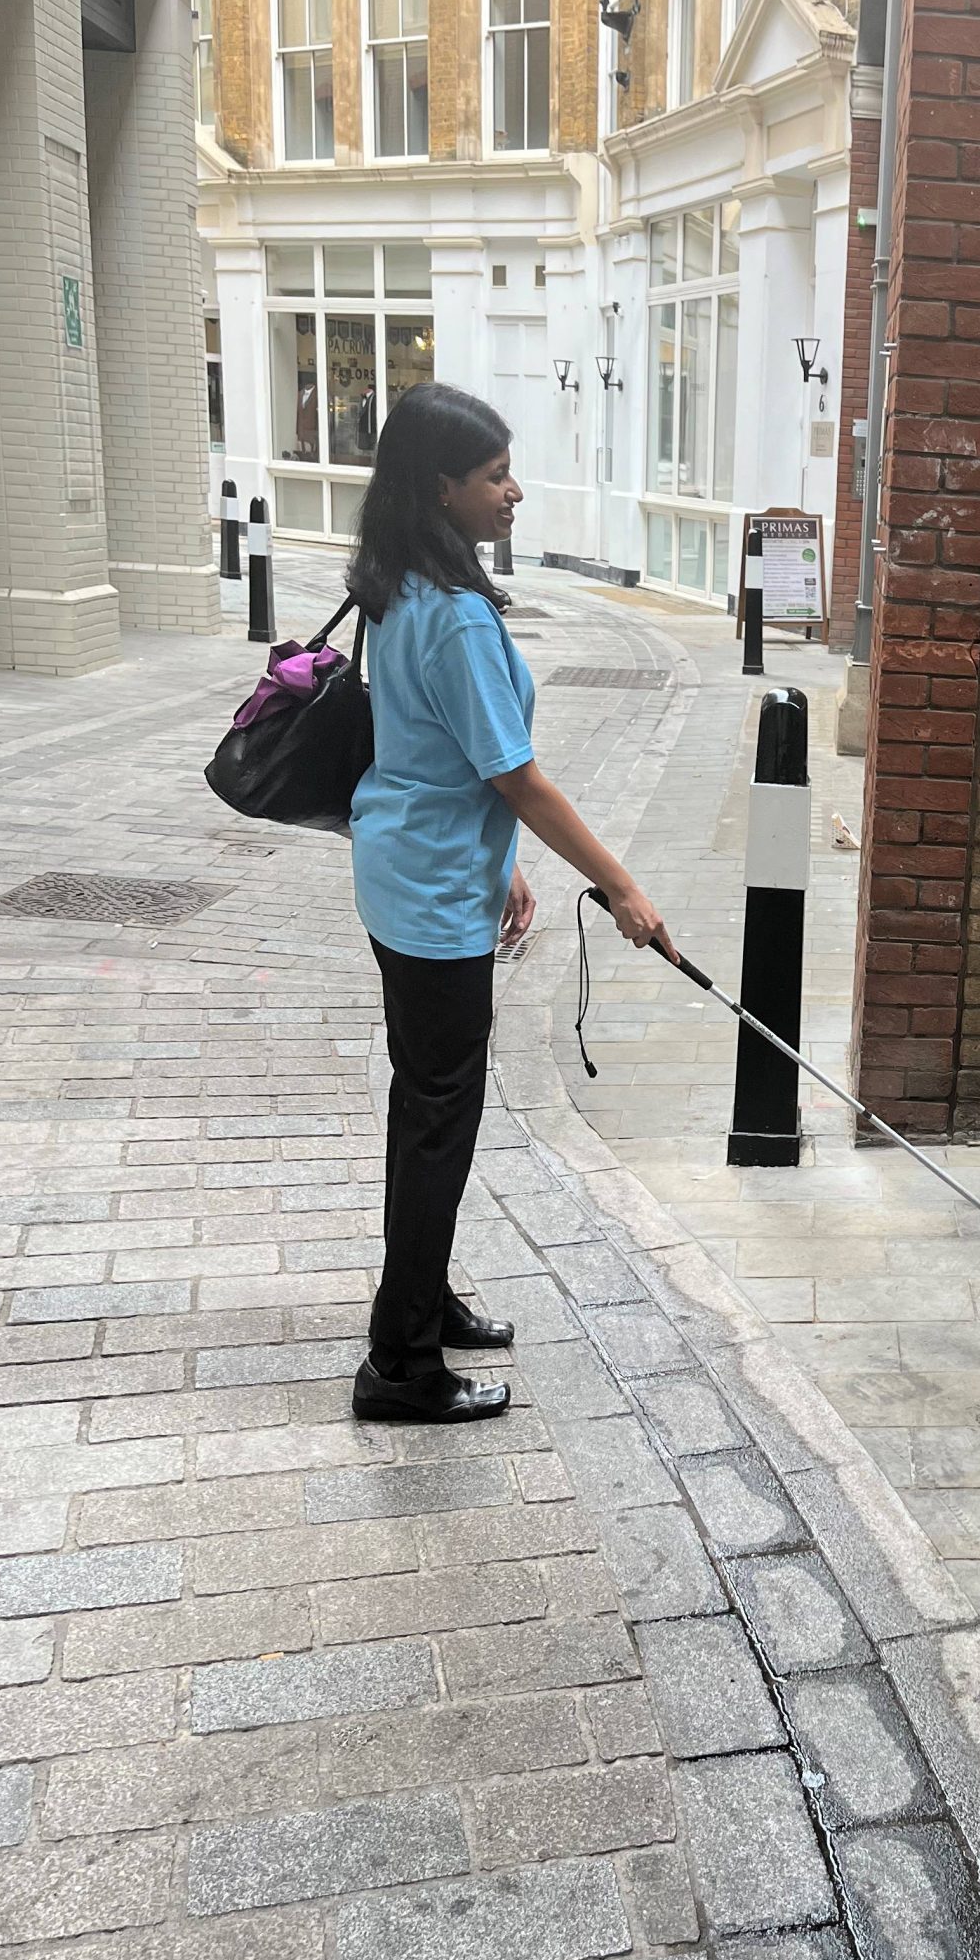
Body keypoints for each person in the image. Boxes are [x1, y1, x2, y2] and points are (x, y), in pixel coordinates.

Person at [345, 382, 672, 1423]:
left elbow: (440, 750)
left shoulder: (398, 582)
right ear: (442, 486)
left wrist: (505, 863)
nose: (514, 491)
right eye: (495, 475)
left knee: (422, 1108)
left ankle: (423, 1300)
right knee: (440, 1122)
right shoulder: (457, 618)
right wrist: (617, 883)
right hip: (432, 898)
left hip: (408, 871)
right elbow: (517, 776)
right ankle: (400, 1365)